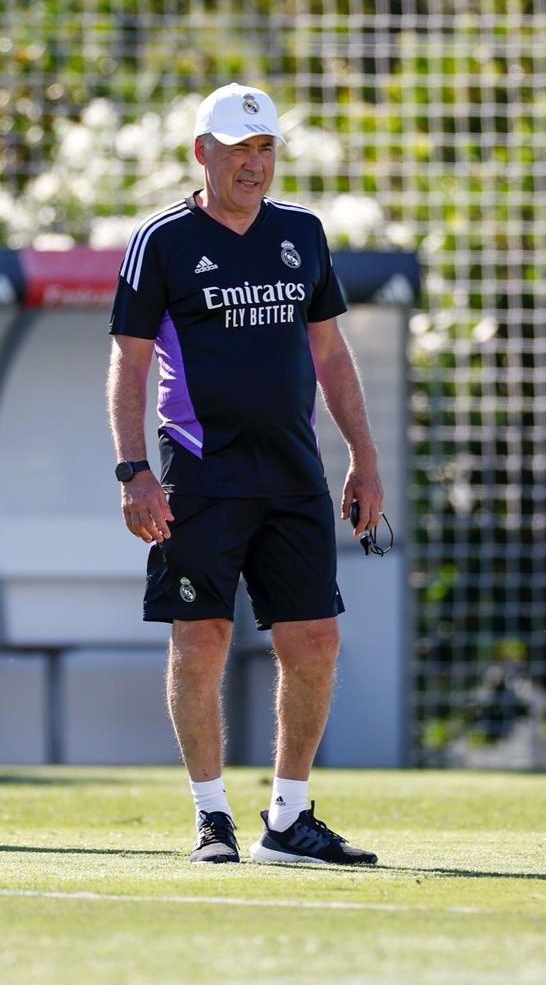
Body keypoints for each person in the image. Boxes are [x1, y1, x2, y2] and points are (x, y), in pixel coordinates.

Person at [106, 83, 383, 865]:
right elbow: (126, 367)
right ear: (203, 152)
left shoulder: (302, 234)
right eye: (239, 149)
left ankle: (289, 819)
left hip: (294, 473)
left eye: (266, 149)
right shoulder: (160, 241)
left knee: (316, 640)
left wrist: (363, 455)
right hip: (197, 473)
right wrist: (133, 470)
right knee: (201, 640)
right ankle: (212, 817)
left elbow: (330, 351)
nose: (254, 164)